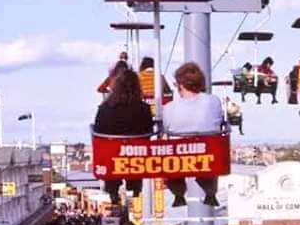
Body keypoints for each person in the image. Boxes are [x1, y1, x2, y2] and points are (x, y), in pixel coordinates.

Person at [163, 62, 224, 207]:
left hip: (180, 158)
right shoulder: (214, 101)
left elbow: (167, 129)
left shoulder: (169, 108)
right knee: (210, 156)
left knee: (171, 160)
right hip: (207, 156)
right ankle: (210, 193)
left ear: (180, 85)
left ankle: (178, 195)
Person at [94, 70, 153, 208]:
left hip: (113, 158)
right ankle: (135, 188)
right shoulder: (143, 108)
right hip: (136, 157)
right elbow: (148, 131)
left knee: (109, 153)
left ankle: (113, 190)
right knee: (137, 153)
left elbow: (98, 131)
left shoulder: (105, 108)